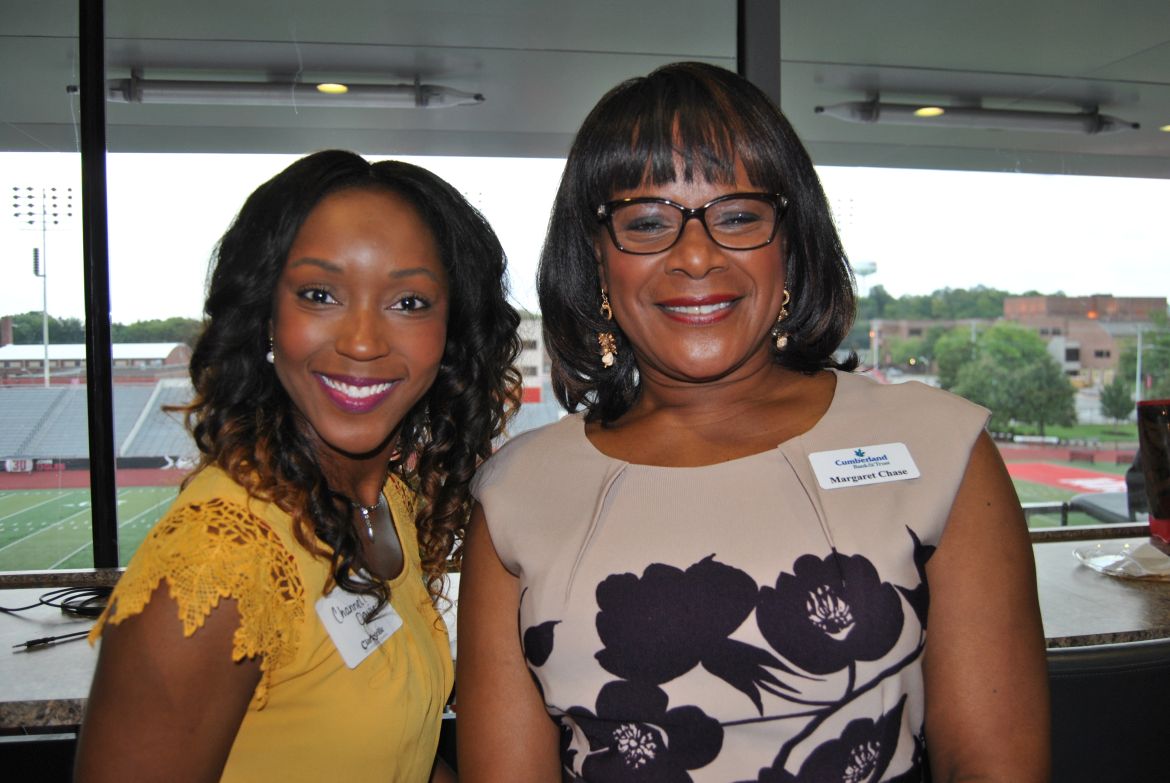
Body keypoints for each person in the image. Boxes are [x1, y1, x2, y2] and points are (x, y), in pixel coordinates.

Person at [456, 63, 1050, 782]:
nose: (695, 256)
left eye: (738, 216)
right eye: (647, 222)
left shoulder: (941, 449)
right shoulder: (514, 495)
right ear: (598, 261)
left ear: (789, 245)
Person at [75, 150, 521, 783]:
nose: (362, 341)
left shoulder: (385, 503)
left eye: (409, 302)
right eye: (319, 295)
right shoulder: (217, 561)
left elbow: (398, 754)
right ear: (266, 314)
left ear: (451, 333)